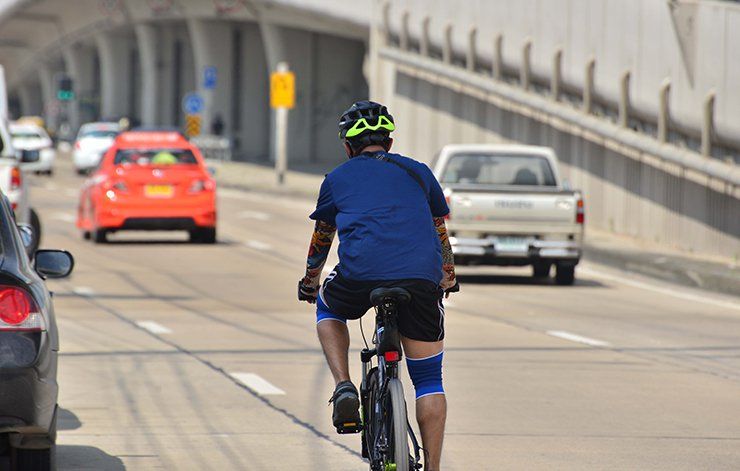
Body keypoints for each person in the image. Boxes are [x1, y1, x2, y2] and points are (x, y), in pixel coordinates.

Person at [297, 101, 457, 470]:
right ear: (389, 140)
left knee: (328, 306)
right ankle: (432, 468)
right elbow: (438, 228)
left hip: (359, 275)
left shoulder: (337, 178)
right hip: (420, 277)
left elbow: (323, 235)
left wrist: (310, 281)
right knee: (430, 379)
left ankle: (343, 385)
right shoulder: (418, 172)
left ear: (348, 146)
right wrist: (448, 273)